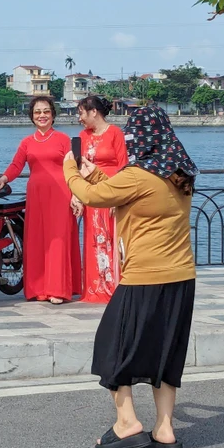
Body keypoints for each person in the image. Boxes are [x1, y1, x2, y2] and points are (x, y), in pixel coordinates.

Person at [63, 105, 198, 448]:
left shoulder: (138, 175)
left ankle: (127, 423)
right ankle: (165, 430)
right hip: (182, 277)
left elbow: (93, 198)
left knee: (110, 347)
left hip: (144, 277)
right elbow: (127, 195)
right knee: (165, 353)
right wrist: (96, 175)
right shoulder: (180, 175)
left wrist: (71, 169)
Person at [0, 97, 82, 303]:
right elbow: (16, 165)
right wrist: (3, 179)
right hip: (36, 195)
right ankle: (38, 288)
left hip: (61, 194)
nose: (42, 115)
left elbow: (74, 169)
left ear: (53, 114)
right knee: (37, 240)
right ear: (32, 116)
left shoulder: (63, 139)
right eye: (38, 112)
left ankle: (58, 290)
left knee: (58, 240)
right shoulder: (27, 142)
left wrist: (76, 195)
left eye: (46, 111)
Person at [76, 95, 128, 304]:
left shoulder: (115, 133)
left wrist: (119, 197)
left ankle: (114, 285)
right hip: (91, 193)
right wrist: (77, 195)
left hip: (111, 191)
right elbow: (78, 168)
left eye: (81, 113)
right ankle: (95, 287)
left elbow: (124, 166)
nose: (79, 118)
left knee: (111, 238)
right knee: (93, 239)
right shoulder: (83, 136)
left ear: (93, 112)